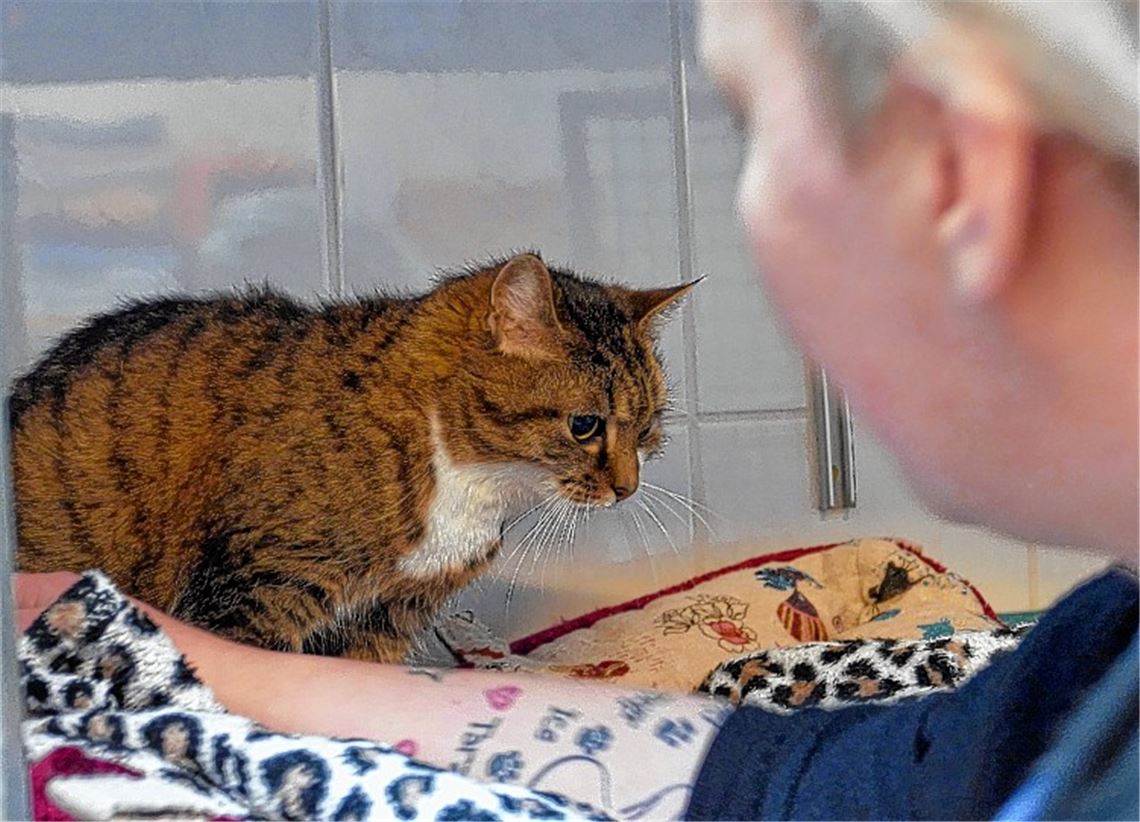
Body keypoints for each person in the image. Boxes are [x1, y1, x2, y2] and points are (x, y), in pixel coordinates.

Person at [14, 0, 1139, 818]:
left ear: (962, 181)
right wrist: (179, 656)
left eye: (748, 123)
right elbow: (813, 784)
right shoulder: (1098, 658)